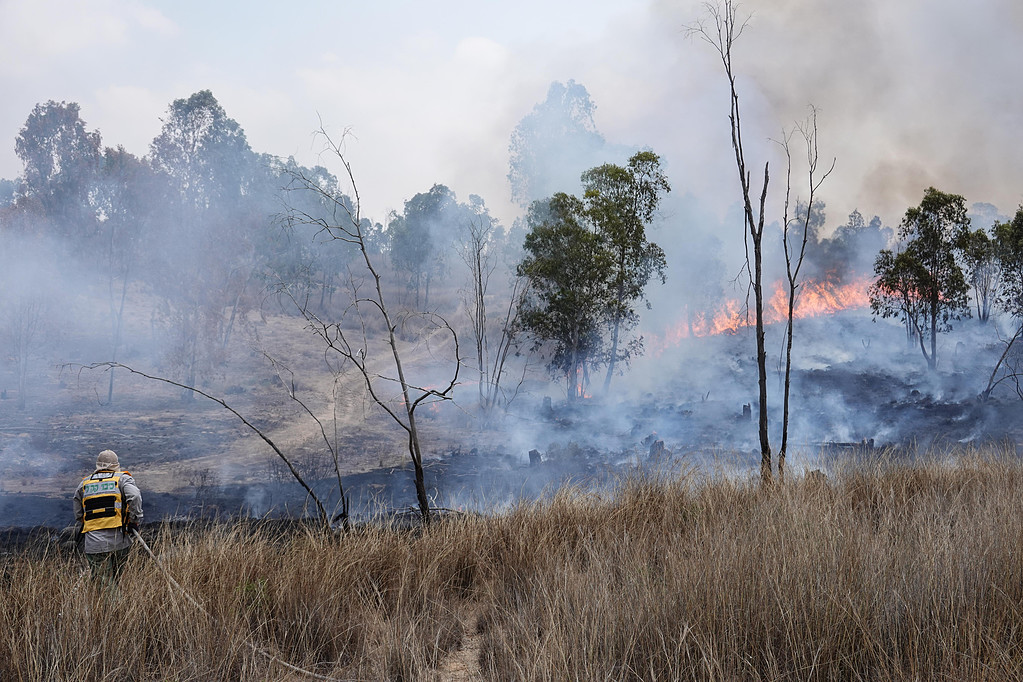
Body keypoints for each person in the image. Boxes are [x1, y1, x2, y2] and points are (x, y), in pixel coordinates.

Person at [73, 449, 143, 585]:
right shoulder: (122, 479)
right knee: (115, 582)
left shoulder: (84, 484)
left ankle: (110, 599)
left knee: (105, 585)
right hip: (120, 541)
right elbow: (134, 496)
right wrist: (134, 520)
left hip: (94, 544)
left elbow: (78, 513)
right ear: (116, 465)